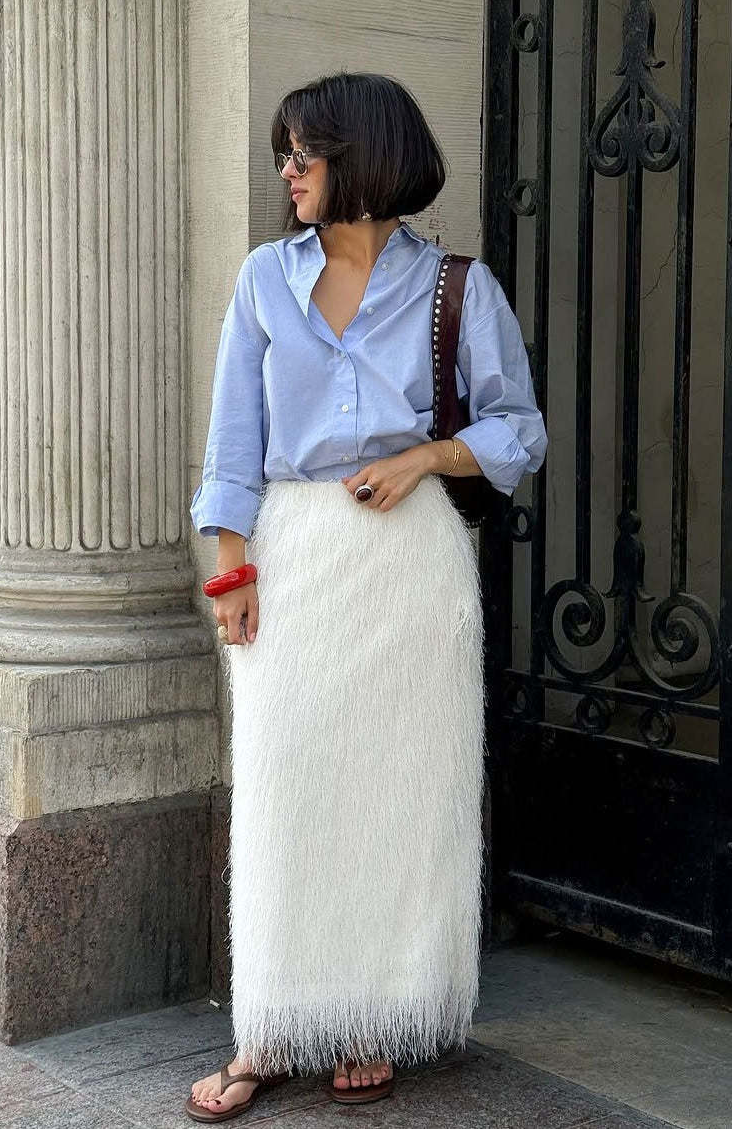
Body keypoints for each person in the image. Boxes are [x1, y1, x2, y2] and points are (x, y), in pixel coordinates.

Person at [186, 71, 547, 1122]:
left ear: (364, 157)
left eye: (304, 152)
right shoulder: (265, 278)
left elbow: (518, 428)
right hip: (294, 558)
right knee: (284, 791)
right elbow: (233, 438)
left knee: (396, 794)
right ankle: (267, 1027)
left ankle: (368, 1019)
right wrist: (230, 570)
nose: (287, 172)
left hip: (409, 567)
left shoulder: (455, 290)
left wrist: (426, 456)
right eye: (283, 154)